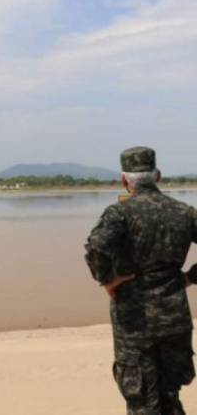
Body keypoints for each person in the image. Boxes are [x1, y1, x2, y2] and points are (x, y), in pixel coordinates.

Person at [84, 147, 197, 415]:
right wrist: (189, 278)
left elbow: (95, 249)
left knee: (142, 402)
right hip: (174, 317)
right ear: (158, 176)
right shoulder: (184, 213)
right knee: (170, 396)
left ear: (125, 180)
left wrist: (108, 281)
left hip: (135, 322)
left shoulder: (120, 214)